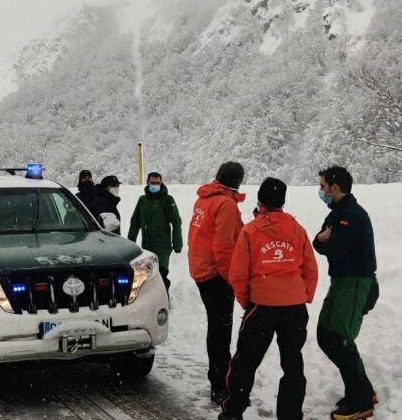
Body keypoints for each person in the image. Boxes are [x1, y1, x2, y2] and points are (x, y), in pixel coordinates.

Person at [220, 178, 318, 420]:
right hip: (294, 308)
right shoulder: (297, 229)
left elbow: (238, 274)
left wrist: (247, 302)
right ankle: (291, 414)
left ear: (260, 201)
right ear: (283, 202)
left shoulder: (251, 231)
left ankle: (233, 412)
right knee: (293, 363)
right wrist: (302, 295)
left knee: (245, 362)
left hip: (262, 306)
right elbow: (310, 269)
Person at [312, 166, 379, 420]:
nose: (321, 191)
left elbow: (335, 248)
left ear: (335, 188)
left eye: (322, 187)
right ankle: (362, 390)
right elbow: (320, 243)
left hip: (356, 282)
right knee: (325, 335)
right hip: (340, 281)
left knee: (339, 337)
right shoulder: (337, 214)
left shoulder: (352, 215)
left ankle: (361, 402)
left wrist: (325, 241)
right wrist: (322, 239)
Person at [187, 161, 245, 404]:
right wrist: (232, 278)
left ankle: (218, 377)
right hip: (216, 273)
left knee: (216, 326)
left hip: (200, 268)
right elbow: (223, 248)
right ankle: (220, 384)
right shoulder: (226, 204)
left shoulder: (204, 199)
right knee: (221, 329)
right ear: (237, 181)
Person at [127, 172, 183, 294]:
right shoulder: (143, 200)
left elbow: (176, 222)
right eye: (152, 183)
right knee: (147, 274)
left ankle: (164, 299)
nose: (155, 185)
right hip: (147, 245)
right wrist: (130, 244)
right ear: (148, 183)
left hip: (162, 245)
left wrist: (177, 244)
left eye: (158, 183)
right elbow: (135, 222)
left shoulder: (167, 200)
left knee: (161, 274)